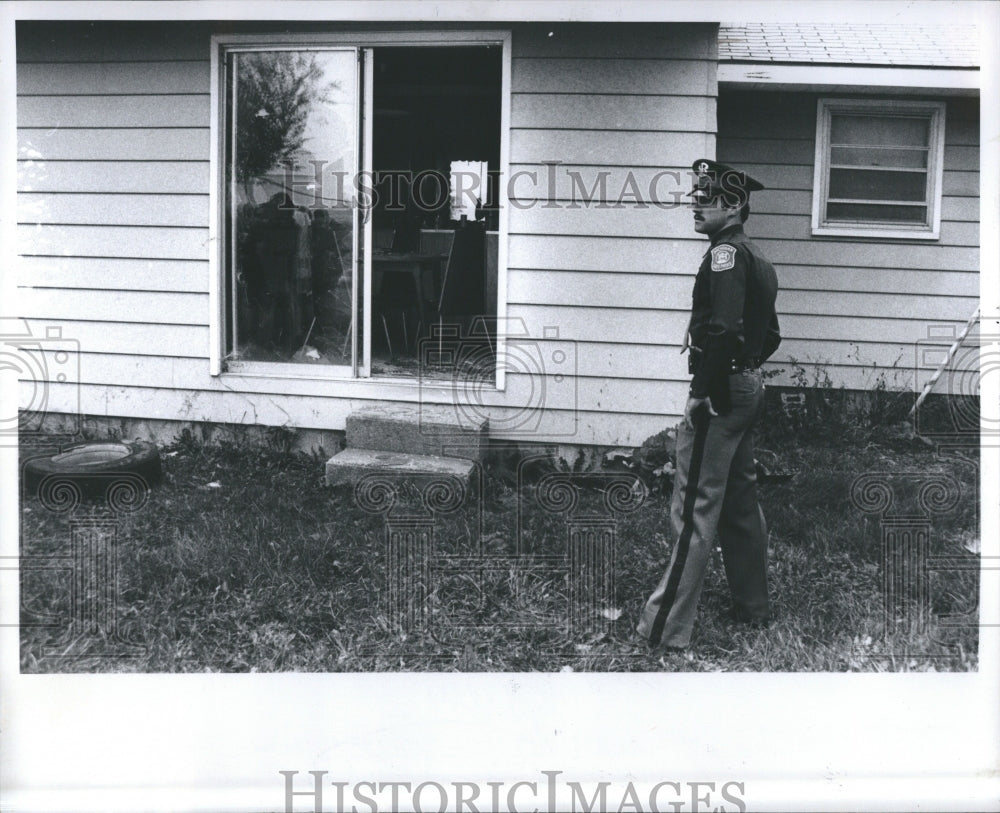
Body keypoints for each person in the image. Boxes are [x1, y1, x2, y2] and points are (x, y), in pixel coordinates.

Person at [636, 158, 781, 650]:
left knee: (695, 504)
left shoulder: (725, 255)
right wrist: (745, 369)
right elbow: (771, 334)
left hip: (721, 393)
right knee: (739, 502)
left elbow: (722, 329)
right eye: (697, 193)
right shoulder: (756, 256)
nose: (697, 203)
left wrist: (702, 390)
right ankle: (753, 608)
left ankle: (663, 629)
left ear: (735, 206)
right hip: (747, 387)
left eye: (709, 196)